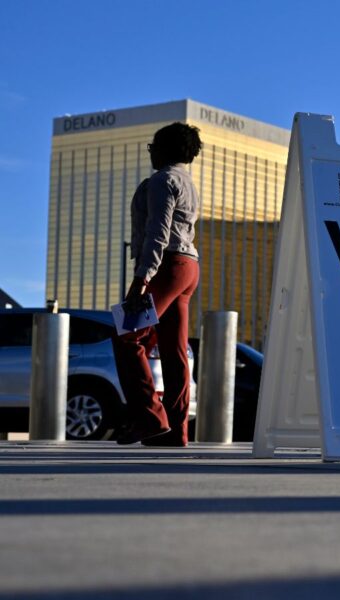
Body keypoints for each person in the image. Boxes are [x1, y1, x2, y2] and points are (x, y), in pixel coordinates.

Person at [112, 122, 203, 447]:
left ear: (165, 149)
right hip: (188, 267)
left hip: (166, 266)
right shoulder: (188, 183)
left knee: (125, 334)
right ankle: (176, 433)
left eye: (153, 146)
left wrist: (142, 278)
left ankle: (150, 419)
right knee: (173, 351)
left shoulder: (164, 180)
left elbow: (158, 233)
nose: (151, 151)